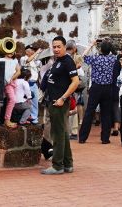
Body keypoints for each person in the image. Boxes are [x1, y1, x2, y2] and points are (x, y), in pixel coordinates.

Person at [41, 36, 80, 175]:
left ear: (64, 47)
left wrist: (63, 98)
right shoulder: (58, 61)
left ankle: (57, 166)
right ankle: (68, 164)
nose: (56, 49)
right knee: (62, 133)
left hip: (59, 103)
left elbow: (75, 82)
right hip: (53, 101)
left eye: (59, 46)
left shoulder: (67, 61)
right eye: (54, 47)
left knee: (57, 134)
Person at [78, 40, 117, 144]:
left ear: (100, 49)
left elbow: (83, 56)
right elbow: (116, 54)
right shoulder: (112, 59)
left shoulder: (95, 58)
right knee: (106, 114)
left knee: (89, 112)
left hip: (96, 87)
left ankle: (82, 137)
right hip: (108, 88)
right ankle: (105, 138)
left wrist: (91, 44)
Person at [20, 45, 42, 123]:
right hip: (26, 83)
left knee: (35, 102)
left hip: (34, 83)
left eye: (33, 50)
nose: (32, 51)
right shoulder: (23, 58)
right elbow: (28, 60)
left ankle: (34, 118)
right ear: (26, 51)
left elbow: (38, 71)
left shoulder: (35, 61)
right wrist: (36, 53)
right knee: (26, 101)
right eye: (31, 50)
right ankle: (25, 118)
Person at [3, 47, 21, 128]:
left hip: (12, 82)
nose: (11, 52)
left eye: (12, 51)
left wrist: (12, 78)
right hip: (6, 83)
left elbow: (19, 71)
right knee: (12, 99)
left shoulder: (15, 60)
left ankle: (6, 120)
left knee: (10, 100)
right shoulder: (1, 60)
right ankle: (7, 120)